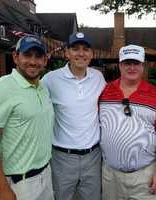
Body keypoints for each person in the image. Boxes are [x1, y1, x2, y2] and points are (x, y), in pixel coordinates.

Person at [0, 34, 55, 200]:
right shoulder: (1, 89)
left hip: (45, 176)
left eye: (38, 56)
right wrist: (2, 187)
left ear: (45, 60)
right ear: (15, 57)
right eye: (27, 55)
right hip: (16, 184)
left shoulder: (43, 88)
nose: (33, 62)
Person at [42, 32, 106, 200]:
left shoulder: (98, 78)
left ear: (91, 55)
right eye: (75, 49)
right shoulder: (50, 80)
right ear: (67, 53)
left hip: (93, 157)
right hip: (62, 158)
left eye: (86, 49)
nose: (81, 53)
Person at [99, 44, 156, 200]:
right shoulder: (104, 91)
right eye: (127, 63)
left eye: (136, 63)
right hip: (110, 176)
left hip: (144, 177)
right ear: (120, 65)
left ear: (143, 66)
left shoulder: (154, 94)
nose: (131, 67)